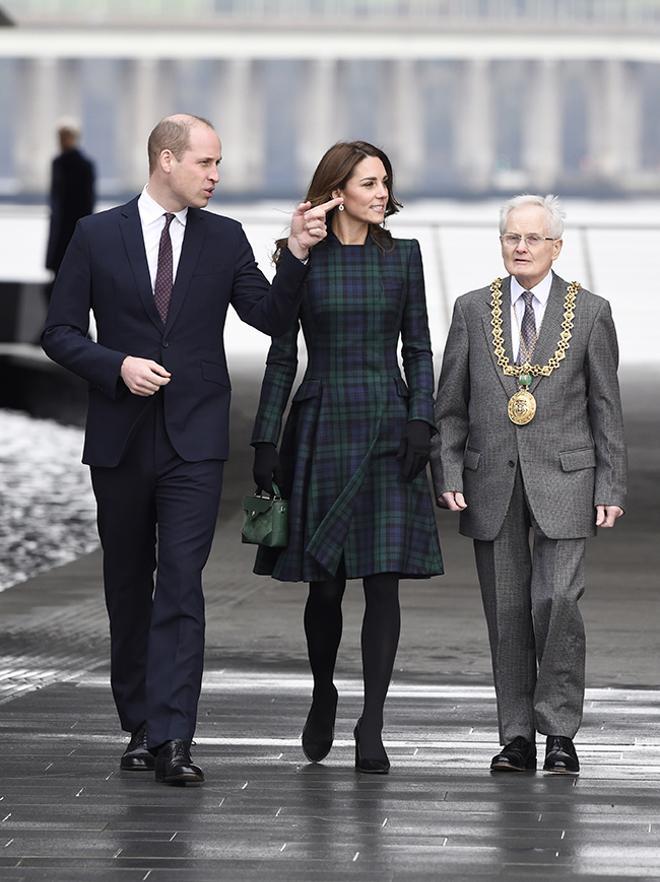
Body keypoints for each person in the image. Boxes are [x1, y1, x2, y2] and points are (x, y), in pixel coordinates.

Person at [42, 113, 339, 787]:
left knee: (181, 584)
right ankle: (140, 724)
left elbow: (269, 318)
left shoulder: (225, 237)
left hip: (195, 442)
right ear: (167, 161)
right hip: (119, 438)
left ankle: (174, 736)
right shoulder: (95, 236)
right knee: (127, 586)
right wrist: (115, 365)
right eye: (206, 162)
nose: (215, 175)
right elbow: (57, 333)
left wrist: (293, 252)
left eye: (218, 163)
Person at [251, 141, 443, 775]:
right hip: (323, 420)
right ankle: (324, 692)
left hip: (390, 425)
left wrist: (422, 419)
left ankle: (373, 722)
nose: (382, 193)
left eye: (385, 181)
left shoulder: (405, 256)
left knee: (382, 582)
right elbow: (282, 356)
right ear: (337, 190)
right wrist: (264, 440)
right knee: (325, 584)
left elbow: (418, 345)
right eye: (368, 183)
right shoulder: (300, 259)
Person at [431, 194, 626, 775]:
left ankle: (559, 731)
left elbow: (605, 408)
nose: (520, 247)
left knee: (558, 602)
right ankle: (515, 736)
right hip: (491, 478)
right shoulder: (471, 309)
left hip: (567, 478)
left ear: (556, 246)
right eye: (511, 237)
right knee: (507, 610)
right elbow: (451, 405)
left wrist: (610, 485)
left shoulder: (590, 311)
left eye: (532, 238)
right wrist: (447, 468)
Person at [45, 119, 95, 278]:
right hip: (66, 226)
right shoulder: (62, 163)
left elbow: (87, 200)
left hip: (70, 226)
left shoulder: (79, 165)